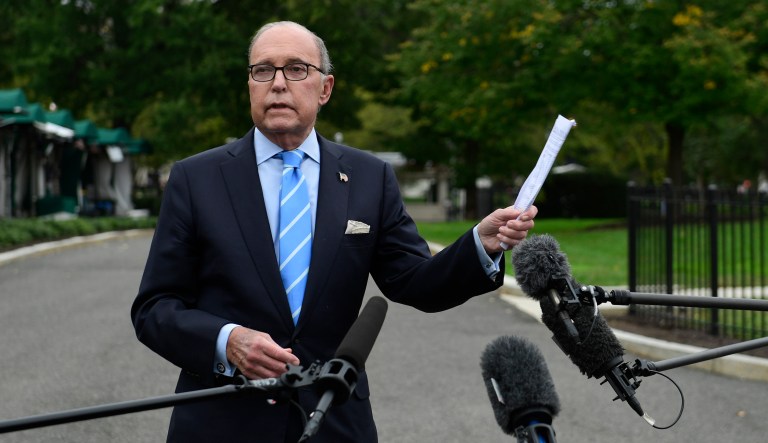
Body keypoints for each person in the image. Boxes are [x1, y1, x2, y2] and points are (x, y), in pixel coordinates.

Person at [131, 20, 537, 443]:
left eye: (296, 69)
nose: (278, 84)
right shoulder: (196, 179)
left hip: (334, 419)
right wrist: (226, 341)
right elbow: (154, 308)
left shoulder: (369, 177)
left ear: (325, 89)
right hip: (222, 422)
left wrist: (480, 244)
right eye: (263, 70)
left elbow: (416, 282)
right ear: (249, 84)